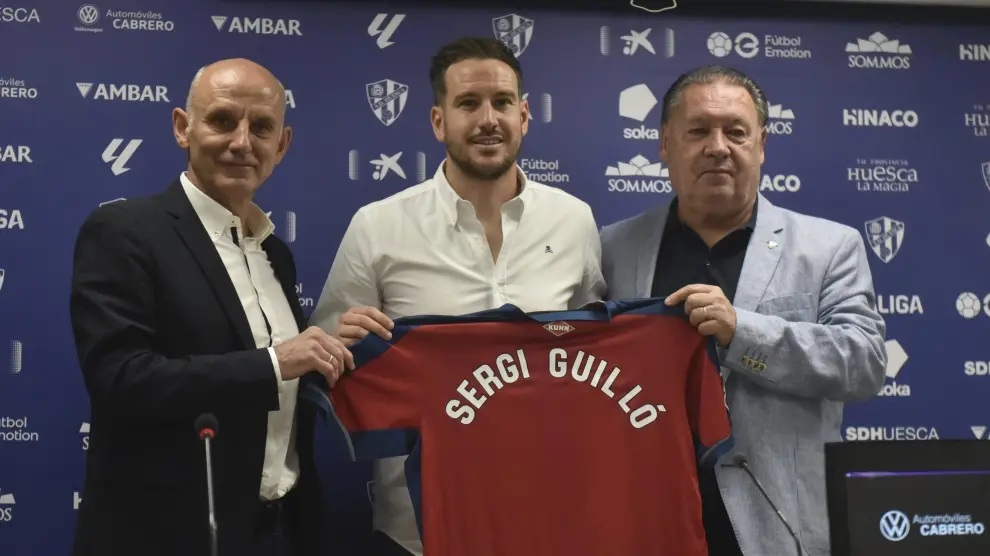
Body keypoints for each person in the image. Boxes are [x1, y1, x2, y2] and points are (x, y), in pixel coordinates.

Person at [309, 37, 606, 556]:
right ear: (438, 121)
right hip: (417, 528)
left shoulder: (574, 221)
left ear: (524, 115)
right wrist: (341, 343)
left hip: (547, 517)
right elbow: (324, 360)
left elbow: (594, 355)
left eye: (502, 102)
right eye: (468, 103)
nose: (488, 119)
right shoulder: (378, 227)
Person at [69, 58, 353, 556]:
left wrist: (334, 348)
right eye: (223, 120)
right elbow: (121, 380)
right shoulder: (124, 231)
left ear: (281, 145)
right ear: (183, 127)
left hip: (280, 530)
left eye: (261, 127)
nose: (242, 142)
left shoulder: (275, 253)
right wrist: (276, 362)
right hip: (166, 538)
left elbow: (280, 381)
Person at [599, 65, 887, 556]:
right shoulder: (612, 247)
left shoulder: (830, 247)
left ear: (761, 144)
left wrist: (742, 333)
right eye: (698, 131)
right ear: (665, 143)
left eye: (736, 132)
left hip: (778, 527)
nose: (718, 147)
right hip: (646, 521)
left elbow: (864, 364)